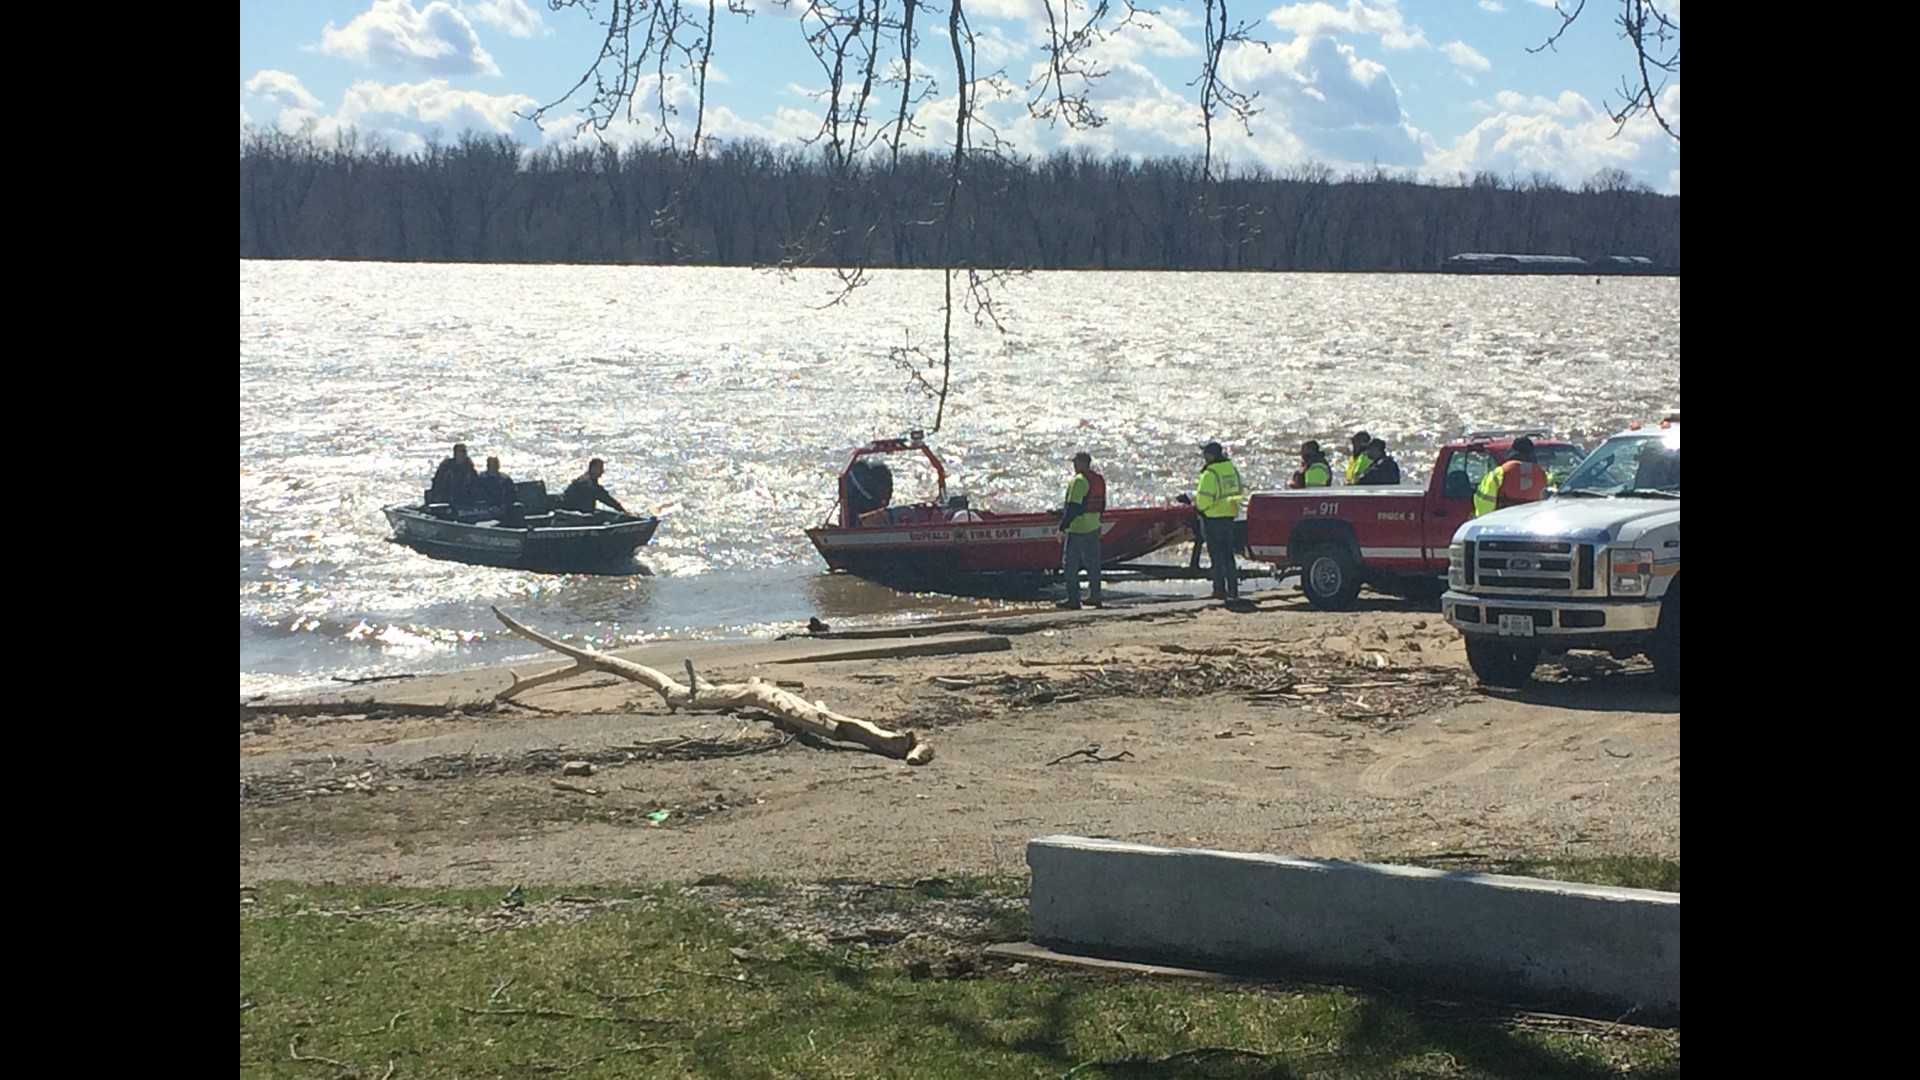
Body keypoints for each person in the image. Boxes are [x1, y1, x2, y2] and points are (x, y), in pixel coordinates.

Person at [1177, 441, 1244, 600]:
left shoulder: (1210, 474)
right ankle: (1233, 589)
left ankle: (1219, 589)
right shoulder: (1232, 470)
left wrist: (1192, 503)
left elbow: (1204, 501)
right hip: (1229, 516)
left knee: (1216, 556)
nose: (1204, 457)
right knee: (1228, 555)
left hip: (1212, 518)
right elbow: (1239, 490)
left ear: (1211, 456)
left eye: (1205, 454)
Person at [1056, 451, 1105, 610]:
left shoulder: (1079, 480)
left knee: (1070, 564)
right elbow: (1101, 504)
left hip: (1078, 528)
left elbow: (1074, 507)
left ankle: (1073, 599)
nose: (1074, 466)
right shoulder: (1098, 480)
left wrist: (1062, 526)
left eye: (1075, 463)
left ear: (1082, 463)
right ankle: (1095, 595)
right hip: (1094, 526)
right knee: (1093, 563)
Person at [1473, 436, 1547, 517]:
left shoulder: (1500, 472)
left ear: (1513, 451)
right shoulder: (1543, 474)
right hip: (1532, 520)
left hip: (1505, 519)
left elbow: (1485, 501)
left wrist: (1484, 519)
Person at [561, 458, 628, 514]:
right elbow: (607, 499)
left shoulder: (581, 479)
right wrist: (623, 510)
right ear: (593, 468)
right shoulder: (589, 485)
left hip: (572, 511)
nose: (602, 471)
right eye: (600, 468)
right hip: (580, 515)